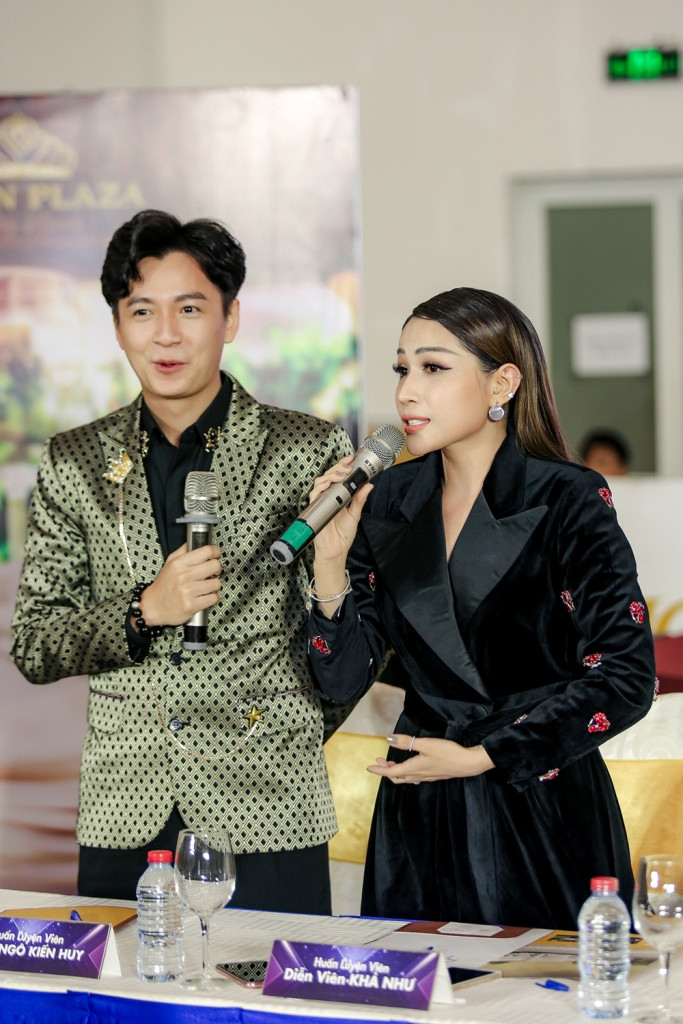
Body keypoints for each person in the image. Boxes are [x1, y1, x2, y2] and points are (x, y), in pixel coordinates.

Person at [10, 209, 356, 912]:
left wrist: (280, 726)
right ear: (117, 327)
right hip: (125, 809)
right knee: (126, 984)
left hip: (268, 804)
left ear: (231, 318)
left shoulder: (305, 450)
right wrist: (144, 611)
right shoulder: (74, 461)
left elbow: (357, 644)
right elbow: (34, 645)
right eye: (142, 311)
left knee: (267, 986)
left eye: (190, 308)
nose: (165, 334)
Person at [306, 287, 656, 929]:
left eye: (433, 368)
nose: (407, 392)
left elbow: (627, 677)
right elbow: (341, 678)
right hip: (419, 813)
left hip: (537, 802)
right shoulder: (387, 500)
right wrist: (329, 564)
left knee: (538, 982)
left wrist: (482, 755)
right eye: (402, 369)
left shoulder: (568, 496)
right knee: (420, 979)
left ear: (503, 383)